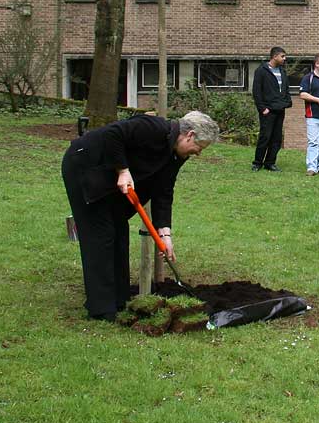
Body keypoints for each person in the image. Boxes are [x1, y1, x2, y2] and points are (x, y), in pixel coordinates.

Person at [61, 111, 220, 321]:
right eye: (199, 147)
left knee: (119, 231)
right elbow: (113, 134)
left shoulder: (177, 155)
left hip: (110, 180)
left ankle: (119, 299)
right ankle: (101, 309)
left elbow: (164, 191)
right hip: (86, 166)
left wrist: (165, 235)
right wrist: (123, 170)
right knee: (100, 235)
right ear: (189, 135)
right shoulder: (153, 127)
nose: (198, 153)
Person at [251, 47, 292, 172]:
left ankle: (270, 162)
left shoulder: (282, 71)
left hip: (280, 110)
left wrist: (286, 103)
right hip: (267, 111)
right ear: (275, 56)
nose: (284, 59)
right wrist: (262, 108)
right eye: (282, 56)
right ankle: (257, 163)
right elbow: (257, 91)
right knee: (265, 137)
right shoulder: (261, 71)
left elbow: (285, 89)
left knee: (277, 138)